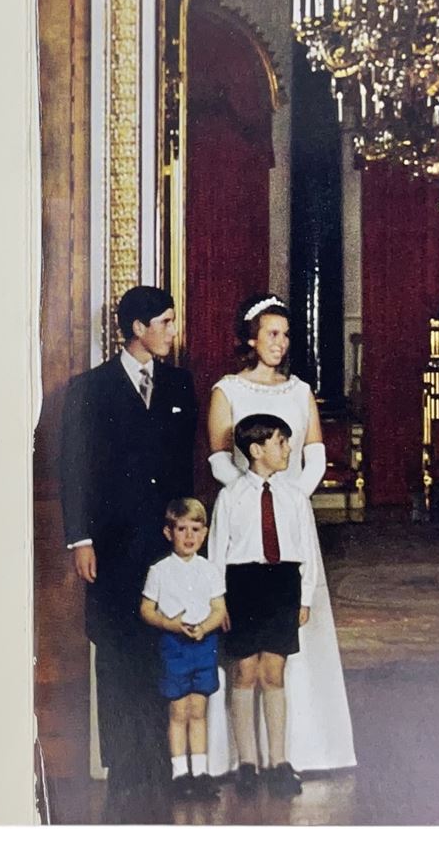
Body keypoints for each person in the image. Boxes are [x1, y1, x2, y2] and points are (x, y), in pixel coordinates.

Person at [59, 285, 199, 820]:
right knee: (118, 654)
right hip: (112, 549)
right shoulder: (89, 390)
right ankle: (124, 767)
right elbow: (74, 467)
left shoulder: (181, 384)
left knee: (161, 650)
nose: (172, 330)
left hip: (165, 549)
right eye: (164, 321)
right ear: (137, 328)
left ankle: (158, 765)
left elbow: (184, 472)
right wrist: (81, 539)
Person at [203, 295, 356, 783]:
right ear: (251, 338)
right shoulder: (226, 390)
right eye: (271, 334)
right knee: (245, 668)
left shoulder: (299, 390)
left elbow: (313, 453)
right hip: (247, 540)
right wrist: (255, 492)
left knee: (280, 666)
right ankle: (245, 760)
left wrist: (287, 494)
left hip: (285, 538)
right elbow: (220, 459)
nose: (280, 343)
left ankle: (294, 754)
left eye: (286, 335)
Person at [207, 414, 320, 797]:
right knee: (245, 672)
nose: (288, 449)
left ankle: (279, 762)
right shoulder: (231, 497)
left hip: (282, 584)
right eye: (281, 443)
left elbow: (307, 551)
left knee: (274, 672)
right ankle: (247, 765)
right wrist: (218, 601)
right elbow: (217, 552)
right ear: (256, 450)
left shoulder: (293, 496)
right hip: (242, 586)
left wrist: (304, 598)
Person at [140, 498, 228, 802]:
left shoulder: (210, 570)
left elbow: (219, 609)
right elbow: (146, 609)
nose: (189, 536)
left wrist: (205, 627)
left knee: (198, 709)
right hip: (174, 646)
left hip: (204, 646)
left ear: (204, 534)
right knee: (179, 710)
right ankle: (179, 774)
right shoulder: (160, 571)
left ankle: (200, 772)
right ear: (169, 533)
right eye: (181, 529)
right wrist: (169, 624)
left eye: (195, 529)